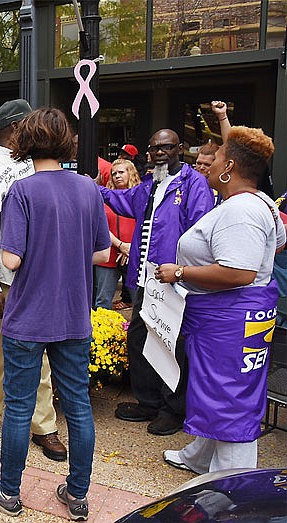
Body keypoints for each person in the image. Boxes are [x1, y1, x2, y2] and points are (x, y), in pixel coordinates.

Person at [0, 108, 110, 520]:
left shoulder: (23, 191)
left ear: (23, 142)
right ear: (67, 142)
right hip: (73, 315)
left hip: (28, 315)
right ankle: (78, 495)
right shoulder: (89, 188)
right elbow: (102, 253)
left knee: (17, 406)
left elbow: (11, 260)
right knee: (79, 407)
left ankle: (9, 491)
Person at [156, 126, 283, 473]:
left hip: (229, 322)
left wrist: (179, 272)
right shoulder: (260, 204)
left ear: (230, 169)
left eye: (217, 157)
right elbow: (278, 243)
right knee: (221, 391)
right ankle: (199, 457)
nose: (209, 163)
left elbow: (238, 272)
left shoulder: (239, 210)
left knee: (230, 400)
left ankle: (230, 486)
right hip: (235, 319)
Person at [100, 128, 215, 436]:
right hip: (145, 279)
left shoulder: (195, 184)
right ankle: (148, 401)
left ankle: (173, 409)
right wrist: (93, 189)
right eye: (155, 148)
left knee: (172, 345)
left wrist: (181, 271)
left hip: (175, 281)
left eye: (166, 147)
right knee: (139, 338)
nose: (160, 153)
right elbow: (124, 201)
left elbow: (199, 234)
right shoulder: (150, 183)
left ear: (180, 149)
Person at [0, 99, 65, 461]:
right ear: (15, 128)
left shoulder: (37, 168)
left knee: (38, 355)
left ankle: (44, 425)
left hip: (36, 280)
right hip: (1, 280)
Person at [93, 159, 140, 311]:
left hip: (134, 253)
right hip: (109, 254)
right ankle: (102, 333)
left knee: (139, 301)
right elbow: (100, 226)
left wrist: (130, 248)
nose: (117, 176)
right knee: (102, 301)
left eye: (121, 172)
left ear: (130, 173)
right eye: (114, 173)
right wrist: (120, 244)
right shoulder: (104, 197)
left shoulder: (141, 196)